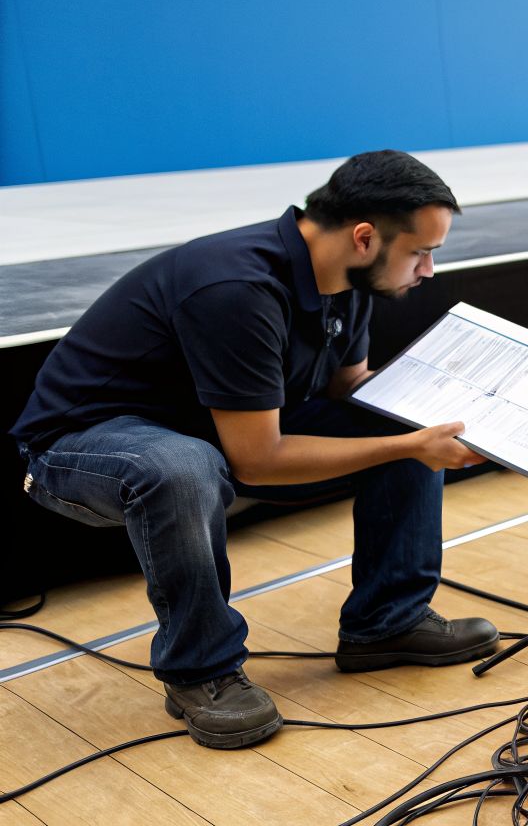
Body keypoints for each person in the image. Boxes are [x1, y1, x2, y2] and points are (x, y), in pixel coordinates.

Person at [11, 151, 497, 750]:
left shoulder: (348, 277)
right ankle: (202, 671)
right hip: (79, 447)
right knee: (182, 467)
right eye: (421, 252)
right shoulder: (235, 287)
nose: (428, 270)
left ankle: (388, 623)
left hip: (216, 433)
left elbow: (351, 386)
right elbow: (258, 460)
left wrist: (463, 403)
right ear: (365, 237)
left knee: (404, 422)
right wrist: (413, 444)